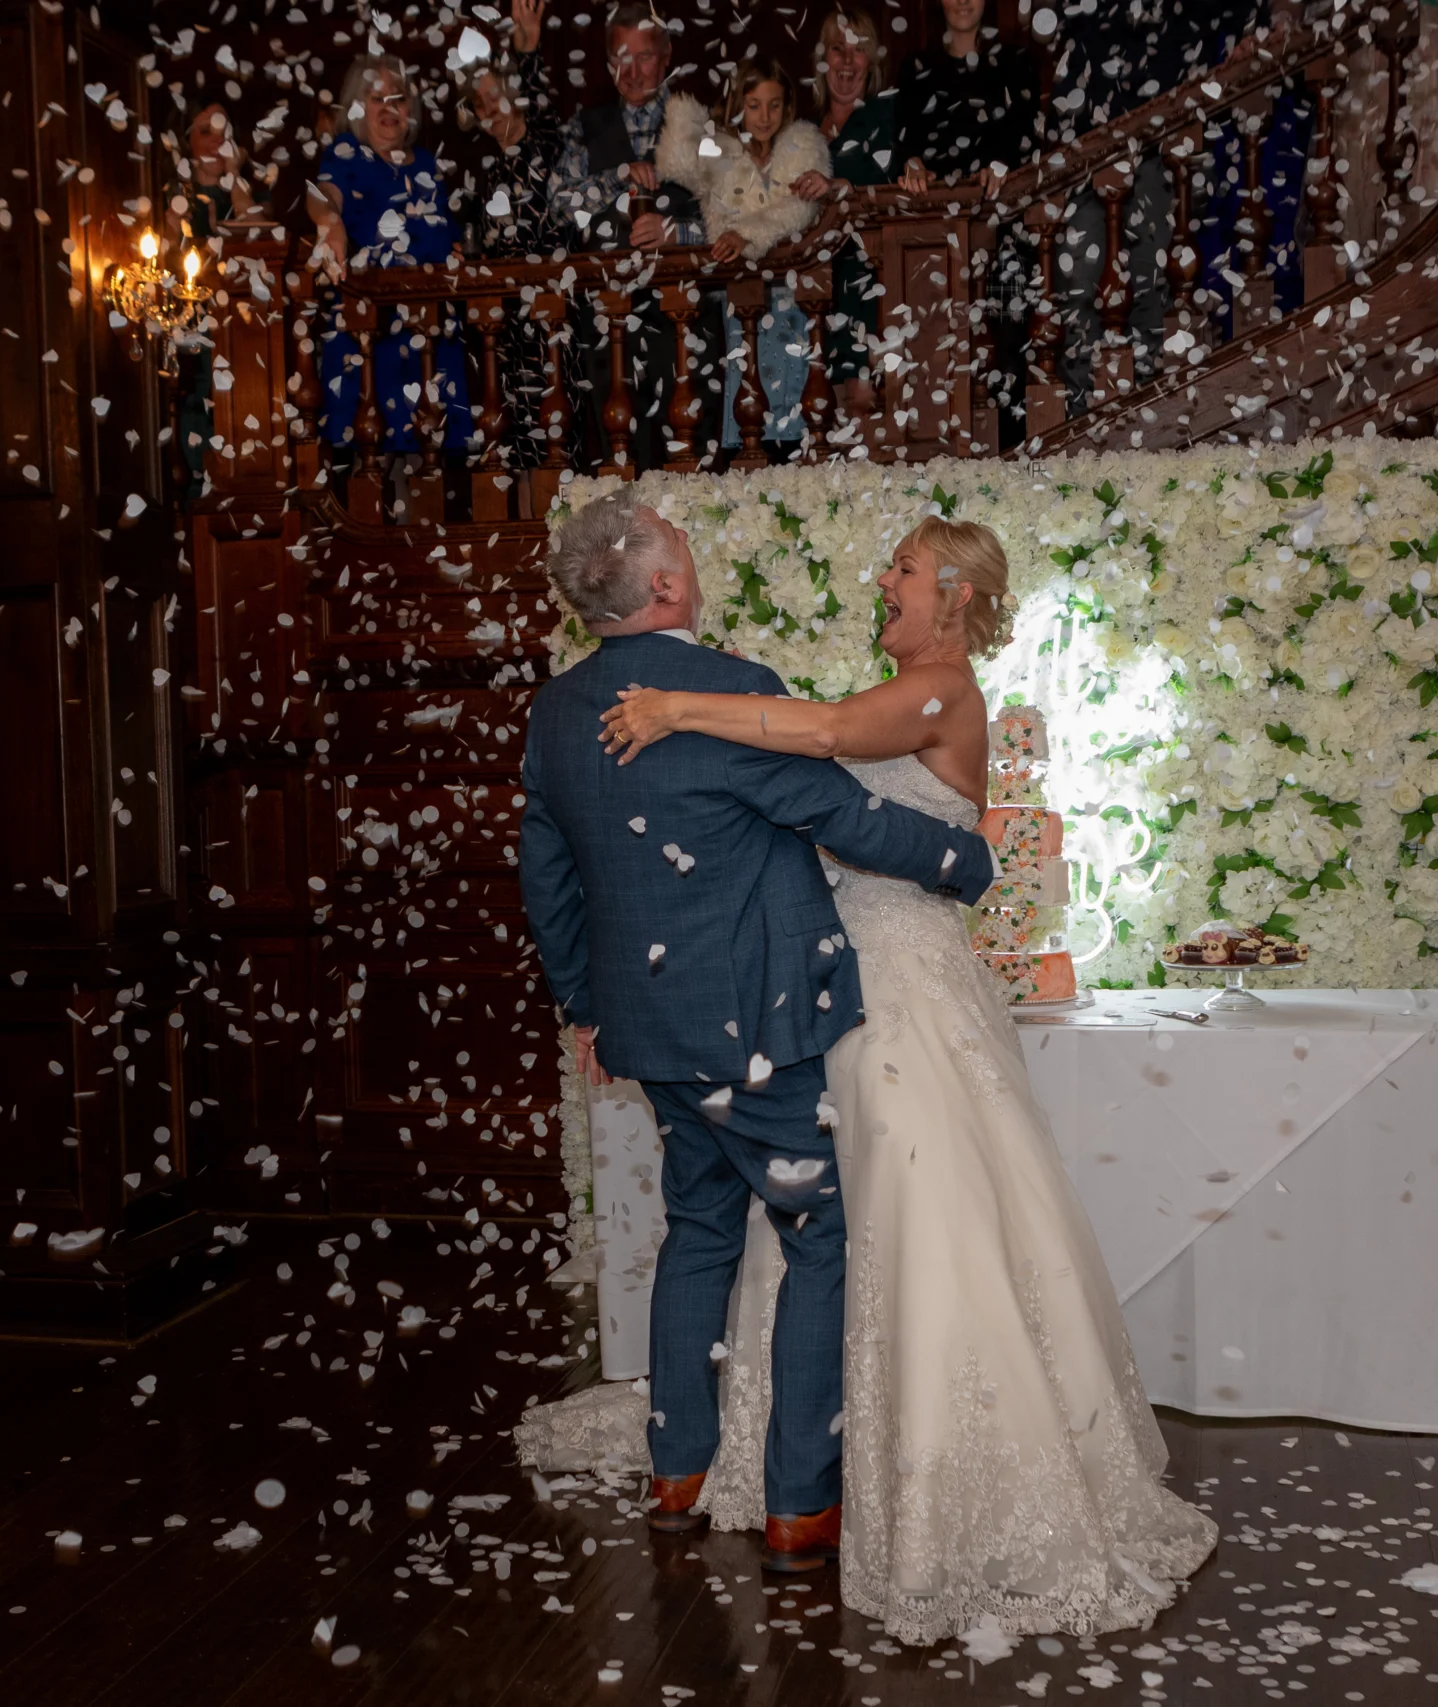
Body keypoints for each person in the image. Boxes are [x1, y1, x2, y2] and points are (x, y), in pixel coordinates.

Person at [580, 517, 1220, 1644]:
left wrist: (678, 705)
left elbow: (822, 734)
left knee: (913, 1217)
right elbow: (808, 783)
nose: (887, 581)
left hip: (904, 989)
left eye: (909, 571)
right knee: (831, 1225)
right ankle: (814, 1472)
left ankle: (914, 1468)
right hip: (824, 982)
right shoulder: (908, 684)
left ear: (959, 595)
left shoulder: (942, 690)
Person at [515, 490, 998, 1578]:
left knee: (697, 1233)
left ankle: (677, 1474)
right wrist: (964, 862)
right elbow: (840, 815)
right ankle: (796, 1506)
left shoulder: (552, 712)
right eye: (686, 550)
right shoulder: (730, 690)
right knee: (818, 1238)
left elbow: (546, 876)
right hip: (760, 1030)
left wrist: (587, 1005)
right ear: (669, 587)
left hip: (654, 1034)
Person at [548, 1, 717, 474]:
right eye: (621, 57)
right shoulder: (586, 126)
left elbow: (735, 213)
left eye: (644, 56)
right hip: (609, 322)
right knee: (618, 464)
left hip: (683, 320)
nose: (633, 70)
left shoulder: (698, 126)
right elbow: (559, 202)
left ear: (665, 59)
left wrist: (678, 233)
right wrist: (617, 177)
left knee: (688, 462)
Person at [310, 53, 477, 517]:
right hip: (373, 337)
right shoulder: (345, 154)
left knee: (428, 466)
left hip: (428, 336)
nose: (389, 108)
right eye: (376, 97)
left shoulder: (426, 164)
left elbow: (440, 234)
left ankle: (421, 567)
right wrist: (330, 223)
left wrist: (454, 253)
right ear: (356, 107)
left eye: (398, 98)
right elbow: (320, 194)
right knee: (374, 462)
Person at [656, 57, 829, 463]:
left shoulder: (803, 147)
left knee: (797, 407)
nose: (764, 116)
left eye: (773, 104)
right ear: (739, 107)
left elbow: (797, 214)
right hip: (746, 301)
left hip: (795, 304)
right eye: (753, 105)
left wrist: (749, 234)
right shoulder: (723, 157)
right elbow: (678, 168)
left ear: (787, 107)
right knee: (750, 398)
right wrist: (686, 112)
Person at [896, 0, 1042, 449]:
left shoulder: (1017, 61)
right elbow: (907, 142)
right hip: (937, 238)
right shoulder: (917, 66)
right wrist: (912, 165)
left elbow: (1027, 138)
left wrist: (1002, 167)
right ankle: (945, 457)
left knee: (1008, 346)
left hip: (1005, 230)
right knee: (939, 354)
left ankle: (1013, 453)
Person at [1047, 0, 1196, 416]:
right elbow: (1065, 85)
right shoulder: (1081, 14)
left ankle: (1147, 410)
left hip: (1153, 157)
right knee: (1076, 287)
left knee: (1149, 285)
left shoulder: (1171, 18)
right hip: (1082, 163)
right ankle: (1081, 414)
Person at [460, 0, 560, 472]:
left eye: (496, 96)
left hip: (550, 321)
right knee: (512, 443)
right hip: (503, 329)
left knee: (557, 440)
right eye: (481, 104)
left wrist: (527, 41)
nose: (490, 110)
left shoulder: (544, 143)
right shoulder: (482, 169)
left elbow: (538, 91)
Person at [794, 4, 902, 429]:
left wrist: (845, 191)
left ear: (872, 60)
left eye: (858, 50)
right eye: (837, 48)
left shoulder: (886, 117)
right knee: (820, 426)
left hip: (869, 292)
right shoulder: (801, 131)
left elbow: (892, 187)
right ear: (822, 59)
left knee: (863, 419)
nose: (846, 60)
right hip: (814, 295)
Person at [1185, 1, 1313, 344]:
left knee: (1271, 224)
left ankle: (1277, 347)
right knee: (1218, 236)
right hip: (1216, 71)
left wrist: (1278, 32)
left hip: (1279, 84)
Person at [177, 103, 260, 498]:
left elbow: (257, 236)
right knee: (202, 396)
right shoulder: (176, 196)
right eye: (205, 131)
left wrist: (234, 175)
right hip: (193, 320)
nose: (216, 141)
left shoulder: (241, 189)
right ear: (186, 141)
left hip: (242, 321)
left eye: (224, 132)